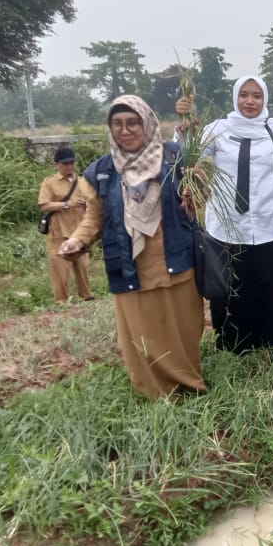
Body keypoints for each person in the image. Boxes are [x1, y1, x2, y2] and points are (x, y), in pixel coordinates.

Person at [60, 96, 207, 398]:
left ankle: (189, 386)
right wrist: (79, 238)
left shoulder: (174, 157)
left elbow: (199, 194)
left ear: (147, 123)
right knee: (143, 334)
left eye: (132, 123)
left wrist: (199, 183)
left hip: (176, 259)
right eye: (117, 124)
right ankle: (155, 393)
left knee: (184, 329)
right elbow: (94, 217)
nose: (125, 131)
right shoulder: (102, 171)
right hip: (131, 265)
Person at [178, 76, 273, 353]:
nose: (250, 101)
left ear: (265, 100)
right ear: (236, 97)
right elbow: (189, 156)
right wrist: (185, 127)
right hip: (227, 225)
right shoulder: (218, 129)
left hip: (271, 222)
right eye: (244, 95)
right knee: (231, 288)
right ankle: (235, 345)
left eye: (257, 96)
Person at [38, 146, 95, 303]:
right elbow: (44, 205)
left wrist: (85, 205)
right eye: (65, 164)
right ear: (56, 165)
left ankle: (87, 297)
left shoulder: (84, 182)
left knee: (83, 267)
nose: (69, 167)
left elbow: (94, 204)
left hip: (79, 233)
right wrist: (67, 204)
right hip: (59, 233)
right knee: (60, 271)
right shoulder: (49, 183)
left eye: (71, 163)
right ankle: (61, 302)